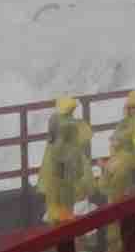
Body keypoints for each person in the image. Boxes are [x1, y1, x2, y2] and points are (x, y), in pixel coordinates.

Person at [37, 95, 93, 224]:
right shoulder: (74, 123)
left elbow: (52, 140)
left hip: (54, 162)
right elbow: (86, 137)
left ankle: (55, 219)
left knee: (55, 194)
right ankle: (65, 219)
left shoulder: (53, 119)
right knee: (66, 193)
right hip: (68, 162)